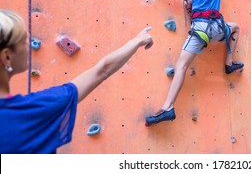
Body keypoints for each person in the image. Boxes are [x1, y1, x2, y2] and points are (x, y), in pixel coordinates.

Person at [0, 9, 153, 153]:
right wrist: (137, 41)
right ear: (6, 56)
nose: (28, 44)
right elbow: (102, 70)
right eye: (23, 41)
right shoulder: (33, 111)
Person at [137, 0, 244, 126]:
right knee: (235, 27)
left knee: (181, 66)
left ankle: (168, 107)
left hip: (200, 32)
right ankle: (229, 63)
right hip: (218, 29)